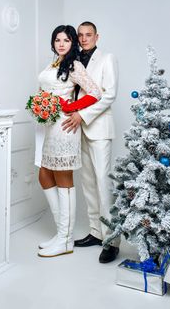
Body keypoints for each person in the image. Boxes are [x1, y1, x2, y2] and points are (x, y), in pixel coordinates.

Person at [36, 25, 101, 258]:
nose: (61, 43)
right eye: (57, 39)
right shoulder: (54, 63)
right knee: (44, 174)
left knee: (63, 178)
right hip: (48, 127)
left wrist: (70, 107)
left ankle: (65, 240)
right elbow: (46, 91)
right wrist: (40, 107)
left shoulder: (74, 65)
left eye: (66, 40)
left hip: (64, 128)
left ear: (73, 42)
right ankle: (61, 233)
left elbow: (95, 92)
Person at [62, 21, 120, 263]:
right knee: (88, 184)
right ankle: (96, 233)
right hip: (80, 131)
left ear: (97, 36)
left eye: (88, 35)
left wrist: (82, 115)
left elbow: (109, 94)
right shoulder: (75, 61)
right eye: (81, 35)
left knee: (103, 184)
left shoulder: (107, 58)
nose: (84, 39)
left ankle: (112, 240)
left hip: (98, 128)